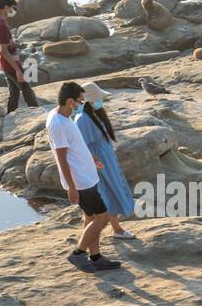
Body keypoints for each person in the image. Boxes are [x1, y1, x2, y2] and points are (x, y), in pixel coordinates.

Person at [47, 82, 121, 272]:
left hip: (87, 175)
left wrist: (92, 158)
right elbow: (61, 157)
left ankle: (95, 257)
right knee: (102, 217)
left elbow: (75, 146)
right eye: (80, 101)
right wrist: (71, 187)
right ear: (70, 101)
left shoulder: (64, 116)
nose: (82, 104)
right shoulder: (58, 124)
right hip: (81, 181)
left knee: (90, 217)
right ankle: (78, 254)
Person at [74, 82, 137, 239]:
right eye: (98, 98)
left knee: (110, 193)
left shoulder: (93, 114)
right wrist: (94, 162)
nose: (101, 101)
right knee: (101, 198)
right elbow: (81, 146)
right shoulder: (82, 119)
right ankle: (90, 237)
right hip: (98, 164)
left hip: (105, 160)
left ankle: (115, 229)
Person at [0, 0, 38, 114]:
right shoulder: (2, 26)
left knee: (14, 92)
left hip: (4, 62)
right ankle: (36, 112)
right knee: (27, 90)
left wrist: (0, 55)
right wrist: (17, 70)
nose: (13, 11)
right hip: (11, 64)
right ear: (5, 7)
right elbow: (4, 50)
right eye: (12, 8)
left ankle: (10, 113)